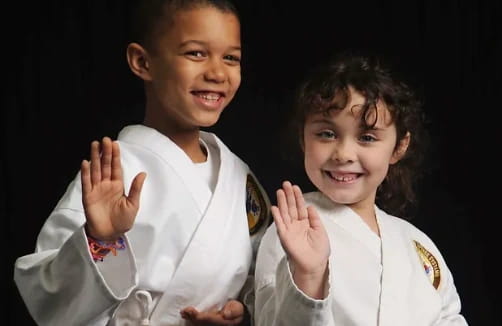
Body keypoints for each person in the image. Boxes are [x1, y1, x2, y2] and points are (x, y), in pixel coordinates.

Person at [13, 1, 271, 325]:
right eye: (195, 53)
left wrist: (242, 310)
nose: (218, 73)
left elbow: (261, 274)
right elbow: (49, 294)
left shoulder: (238, 177)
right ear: (142, 61)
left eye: (231, 58)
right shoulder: (113, 174)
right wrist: (100, 240)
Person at [254, 53, 468, 325]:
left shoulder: (416, 244)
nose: (343, 154)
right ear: (303, 138)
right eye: (326, 134)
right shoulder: (291, 235)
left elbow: (450, 317)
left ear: (399, 146)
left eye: (367, 137)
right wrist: (308, 277)